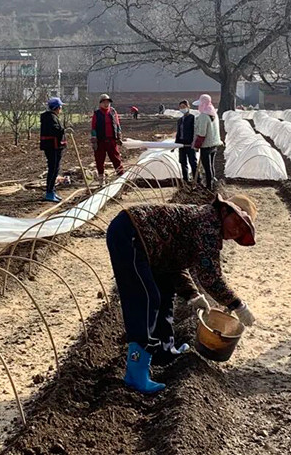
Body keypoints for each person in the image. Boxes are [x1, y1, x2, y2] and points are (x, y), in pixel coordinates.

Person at [106, 194, 258, 393]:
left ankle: (164, 352)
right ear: (224, 210)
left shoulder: (207, 223)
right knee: (146, 299)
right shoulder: (208, 223)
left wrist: (192, 294)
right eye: (236, 221)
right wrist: (237, 305)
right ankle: (136, 371)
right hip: (131, 235)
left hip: (151, 247)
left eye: (242, 229)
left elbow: (175, 263)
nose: (236, 230)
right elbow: (210, 276)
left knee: (165, 293)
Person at [89, 93, 123, 186]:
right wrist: (94, 141)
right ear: (100, 103)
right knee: (99, 160)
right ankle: (101, 179)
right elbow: (93, 128)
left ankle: (121, 177)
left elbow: (117, 125)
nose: (106, 104)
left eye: (107, 102)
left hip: (112, 140)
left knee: (116, 159)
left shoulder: (113, 112)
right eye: (104, 102)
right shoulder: (97, 114)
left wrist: (119, 137)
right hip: (101, 141)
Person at [39, 97, 66, 203]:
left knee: (56, 169)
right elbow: (55, 130)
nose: (61, 109)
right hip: (52, 147)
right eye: (60, 107)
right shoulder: (50, 117)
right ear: (57, 107)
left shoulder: (52, 117)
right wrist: (64, 130)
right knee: (53, 169)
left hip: (55, 147)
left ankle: (52, 190)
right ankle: (49, 193)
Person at [192, 94, 222, 191]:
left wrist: (197, 145)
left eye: (200, 105)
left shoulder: (203, 116)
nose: (198, 107)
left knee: (207, 167)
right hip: (214, 144)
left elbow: (202, 133)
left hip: (206, 145)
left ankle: (209, 186)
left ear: (203, 104)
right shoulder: (214, 114)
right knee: (211, 166)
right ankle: (213, 184)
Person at [174, 100, 197, 183]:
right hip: (181, 144)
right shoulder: (180, 120)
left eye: (184, 107)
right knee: (183, 162)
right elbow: (179, 133)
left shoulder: (192, 118)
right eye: (180, 107)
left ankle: (197, 180)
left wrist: (194, 142)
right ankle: (185, 180)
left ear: (188, 107)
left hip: (190, 144)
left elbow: (194, 131)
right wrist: (176, 144)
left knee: (193, 162)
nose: (182, 109)